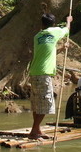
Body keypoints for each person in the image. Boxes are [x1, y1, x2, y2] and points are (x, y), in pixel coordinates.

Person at [27, 12, 72, 140]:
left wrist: (62, 48)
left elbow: (47, 52)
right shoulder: (55, 31)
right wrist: (69, 20)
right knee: (45, 103)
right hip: (44, 73)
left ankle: (37, 129)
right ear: (53, 23)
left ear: (42, 24)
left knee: (37, 103)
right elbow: (67, 30)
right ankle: (34, 131)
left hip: (35, 72)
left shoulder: (37, 36)